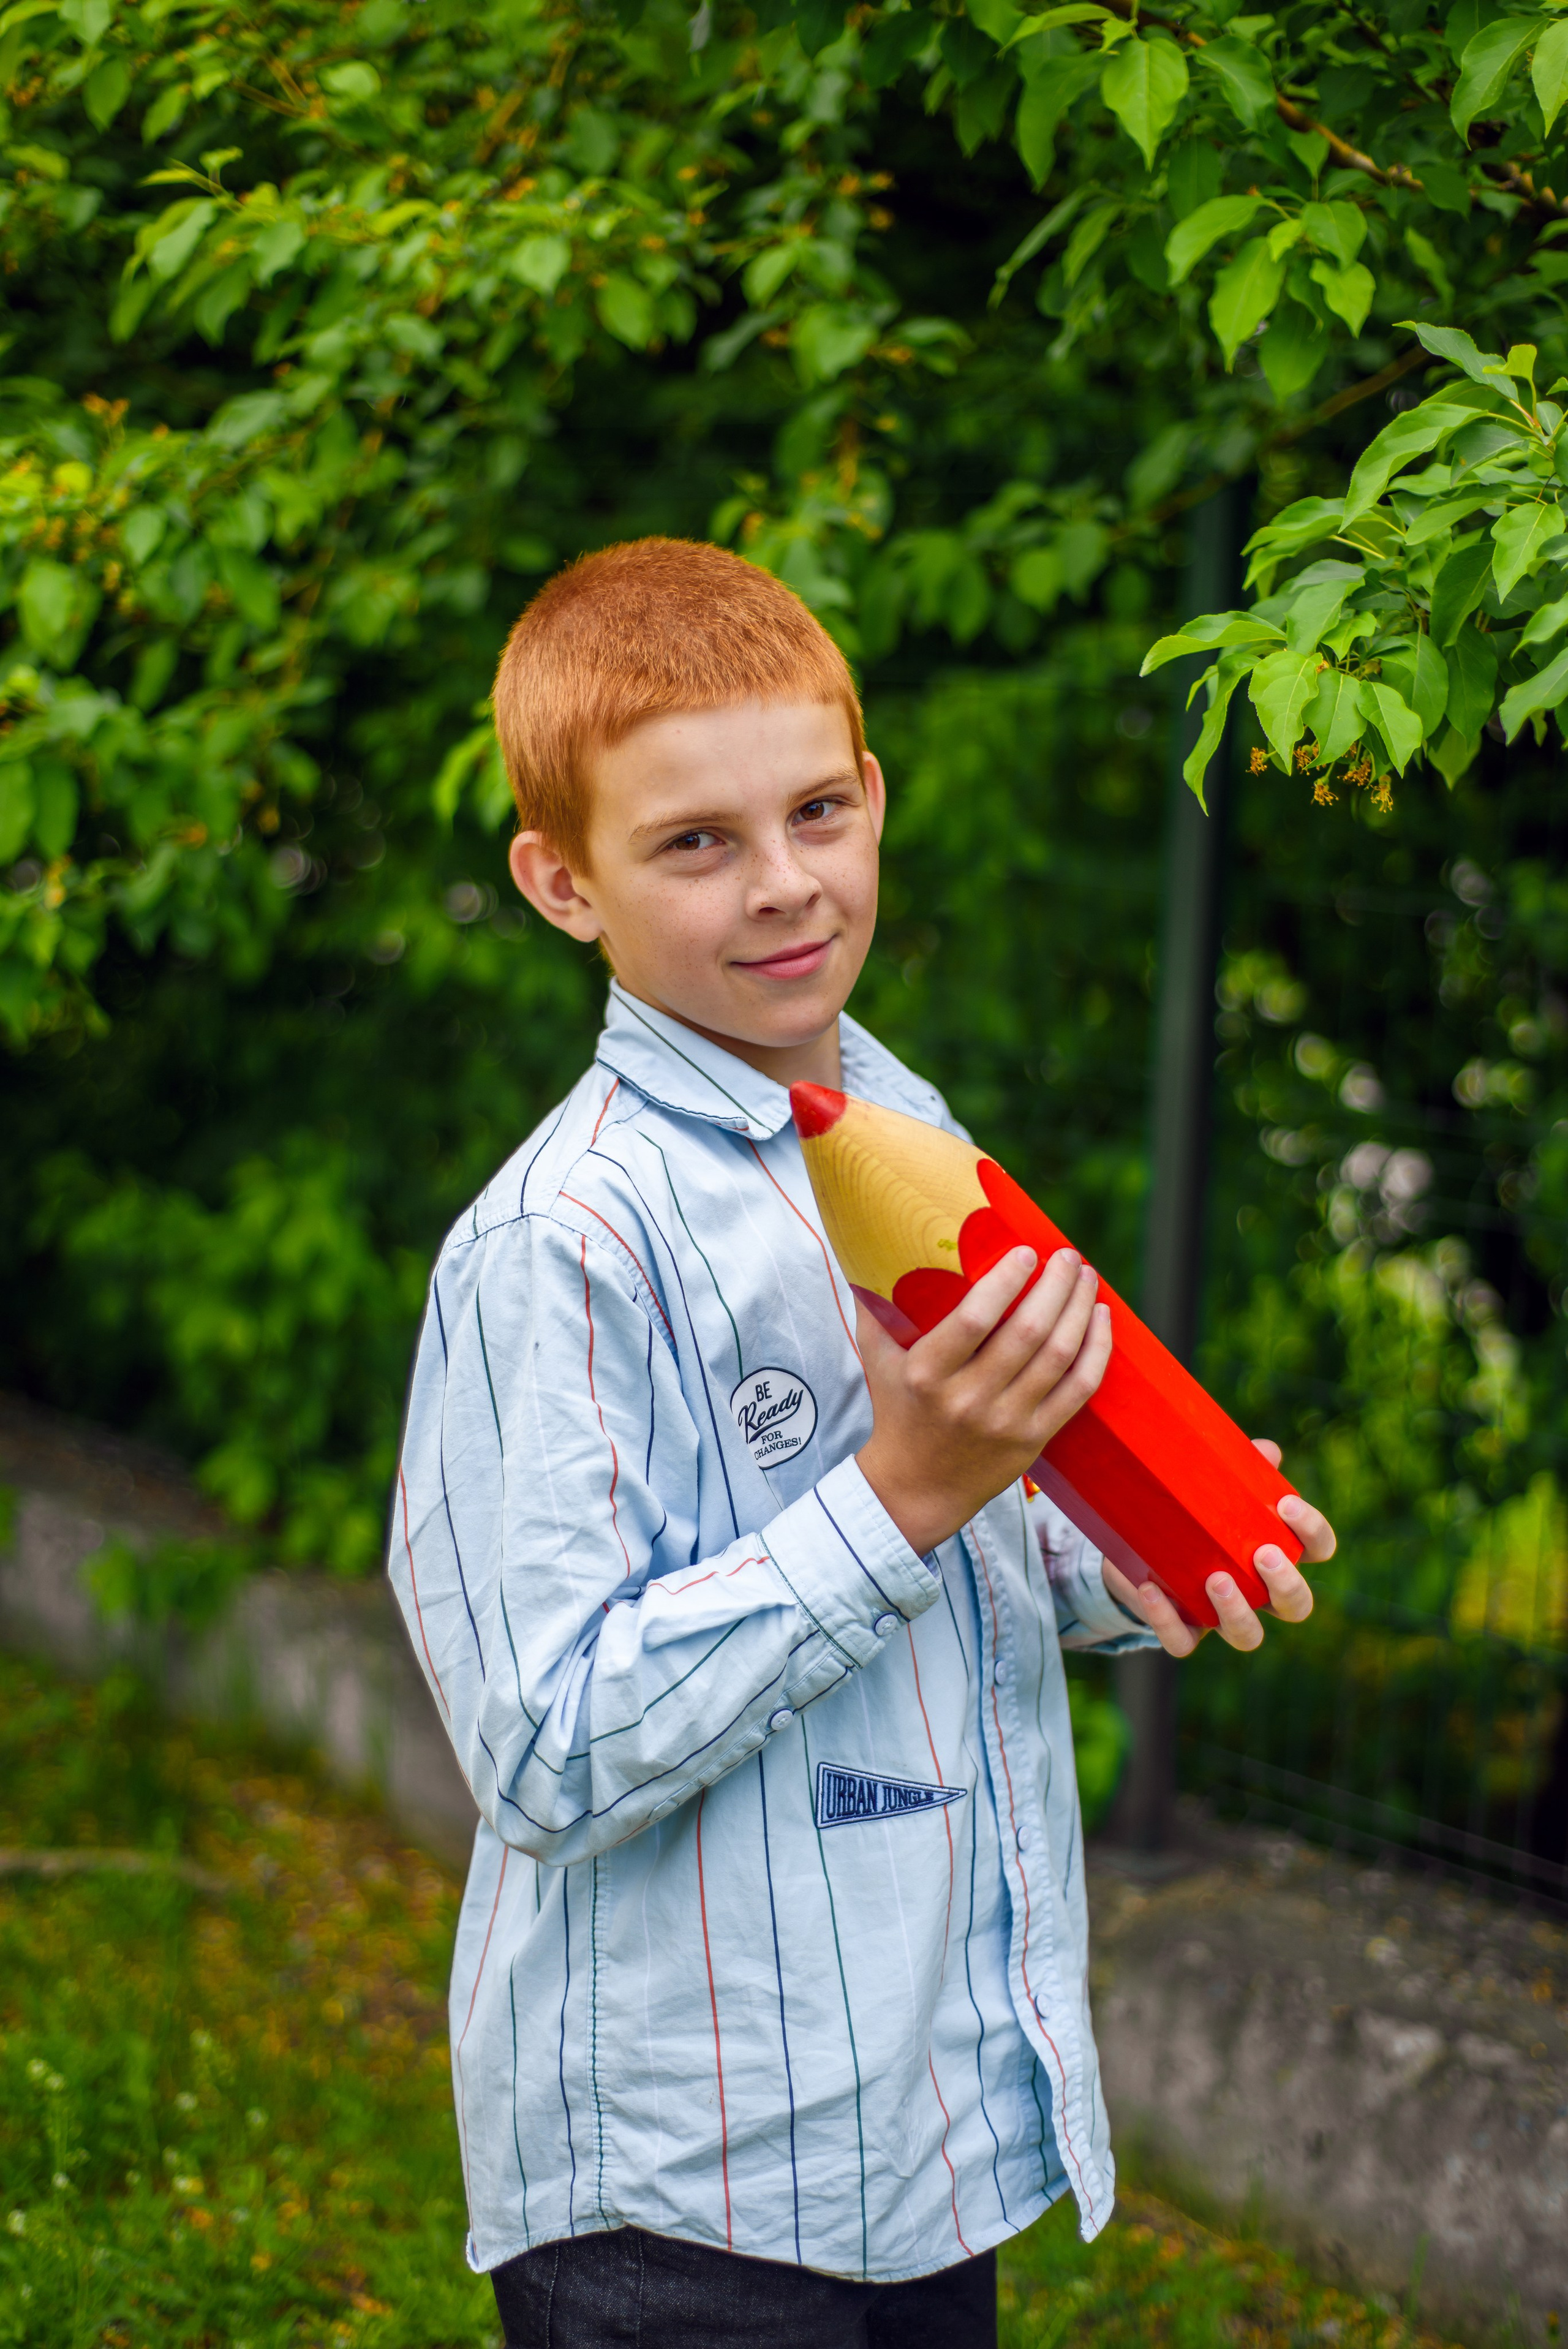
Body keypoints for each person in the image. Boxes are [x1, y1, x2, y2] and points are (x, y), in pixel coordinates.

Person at [389, 537, 1333, 2349]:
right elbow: (543, 1747)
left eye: (819, 809)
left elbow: (986, 1512)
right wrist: (895, 1492)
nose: (785, 886)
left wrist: (1137, 1553)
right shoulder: (561, 1241)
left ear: (875, 795)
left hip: (918, 2132)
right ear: (559, 880)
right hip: (688, 2186)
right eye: (695, 842)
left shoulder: (900, 1116)